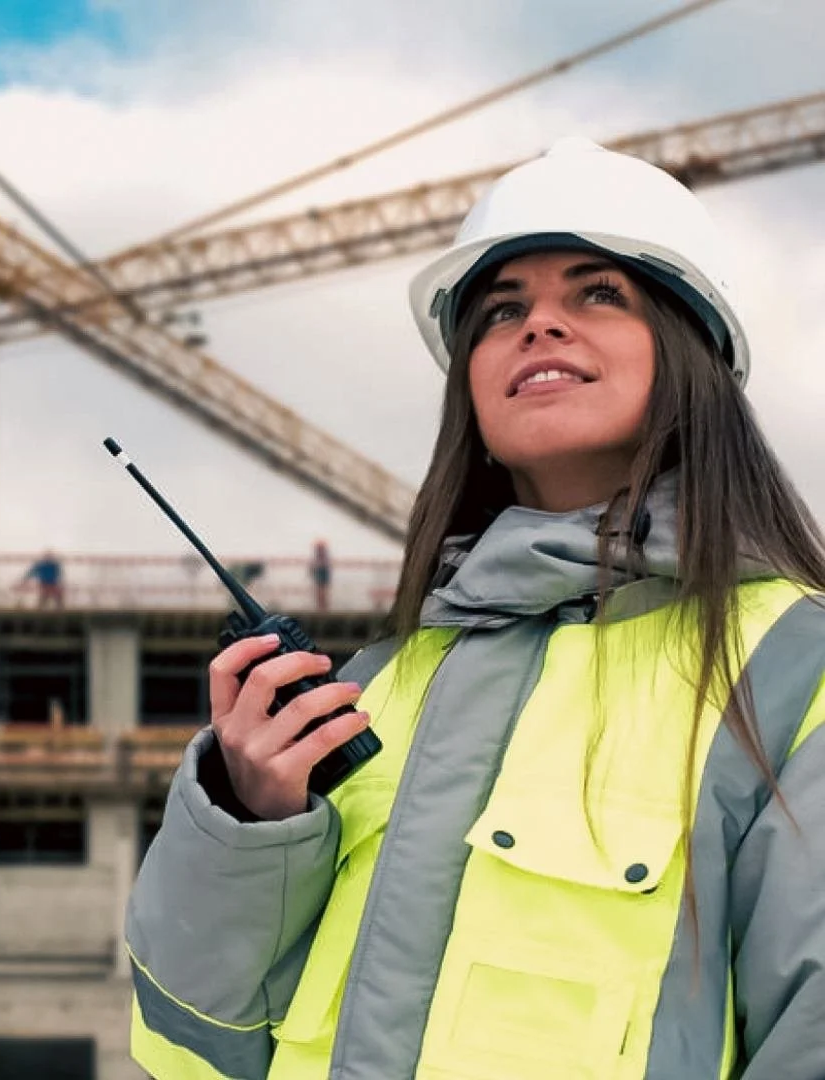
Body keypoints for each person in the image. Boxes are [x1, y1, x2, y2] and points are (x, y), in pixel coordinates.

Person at [124, 139, 825, 1078]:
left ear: (691, 350)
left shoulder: (791, 672)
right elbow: (191, 1053)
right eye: (502, 311)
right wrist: (249, 821)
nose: (540, 326)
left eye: (598, 293)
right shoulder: (378, 687)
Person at [311, 538, 332, 611]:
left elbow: (324, 564)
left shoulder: (324, 556)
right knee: (320, 589)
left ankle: (323, 605)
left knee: (323, 589)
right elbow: (315, 565)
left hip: (322, 571)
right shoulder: (318, 556)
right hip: (320, 571)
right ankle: (321, 605)